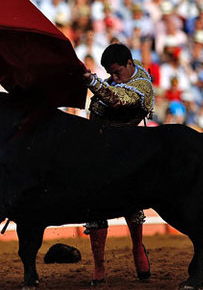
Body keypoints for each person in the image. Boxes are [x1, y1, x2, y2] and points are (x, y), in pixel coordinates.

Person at [82, 43, 154, 285]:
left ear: (129, 65)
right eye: (110, 73)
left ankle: (137, 250)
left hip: (128, 148)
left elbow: (118, 100)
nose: (112, 78)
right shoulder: (119, 77)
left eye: (116, 72)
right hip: (101, 147)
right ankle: (99, 265)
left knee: (131, 202)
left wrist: (93, 83)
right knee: (94, 203)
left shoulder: (142, 84)